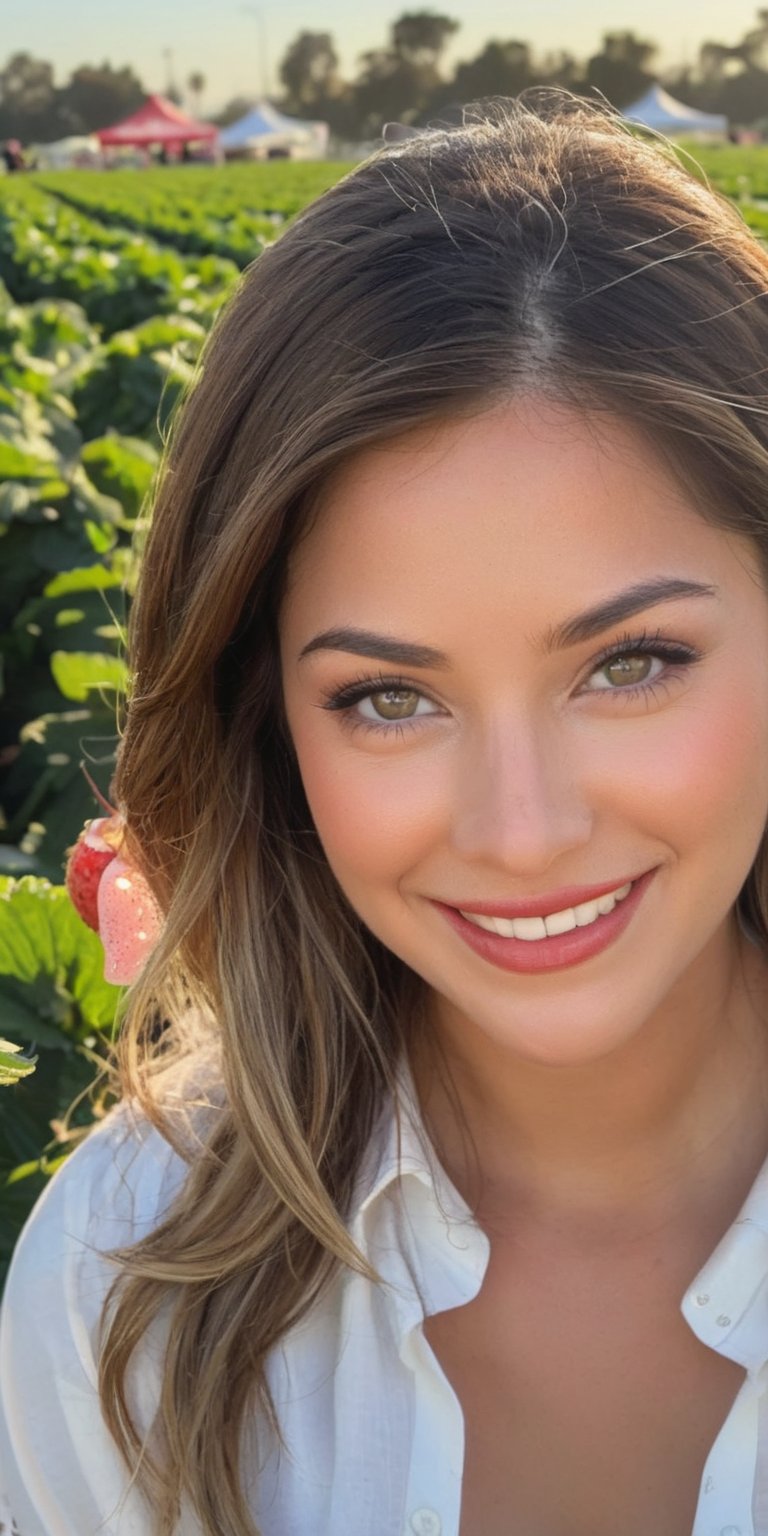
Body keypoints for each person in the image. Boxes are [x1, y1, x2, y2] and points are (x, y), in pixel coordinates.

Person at [3, 90, 768, 1536]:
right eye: (388, 699)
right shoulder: (123, 1280)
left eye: (632, 664)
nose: (523, 830)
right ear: (265, 723)